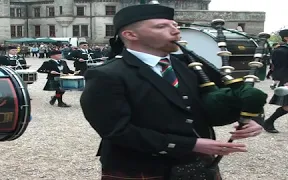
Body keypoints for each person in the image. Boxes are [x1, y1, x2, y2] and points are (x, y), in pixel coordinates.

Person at [80, 4, 263, 180]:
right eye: (161, 26)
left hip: (198, 162)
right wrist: (191, 144)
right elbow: (116, 130)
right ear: (130, 34)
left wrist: (251, 116)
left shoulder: (190, 64)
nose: (176, 30)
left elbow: (231, 93)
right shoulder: (106, 75)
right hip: (139, 166)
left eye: (174, 25)